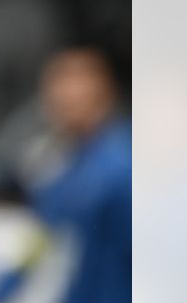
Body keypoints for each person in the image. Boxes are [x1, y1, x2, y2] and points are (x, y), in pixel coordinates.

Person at [26, 45, 130, 303]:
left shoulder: (123, 167)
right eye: (56, 80)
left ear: (106, 87)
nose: (64, 93)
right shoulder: (54, 165)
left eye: (77, 78)